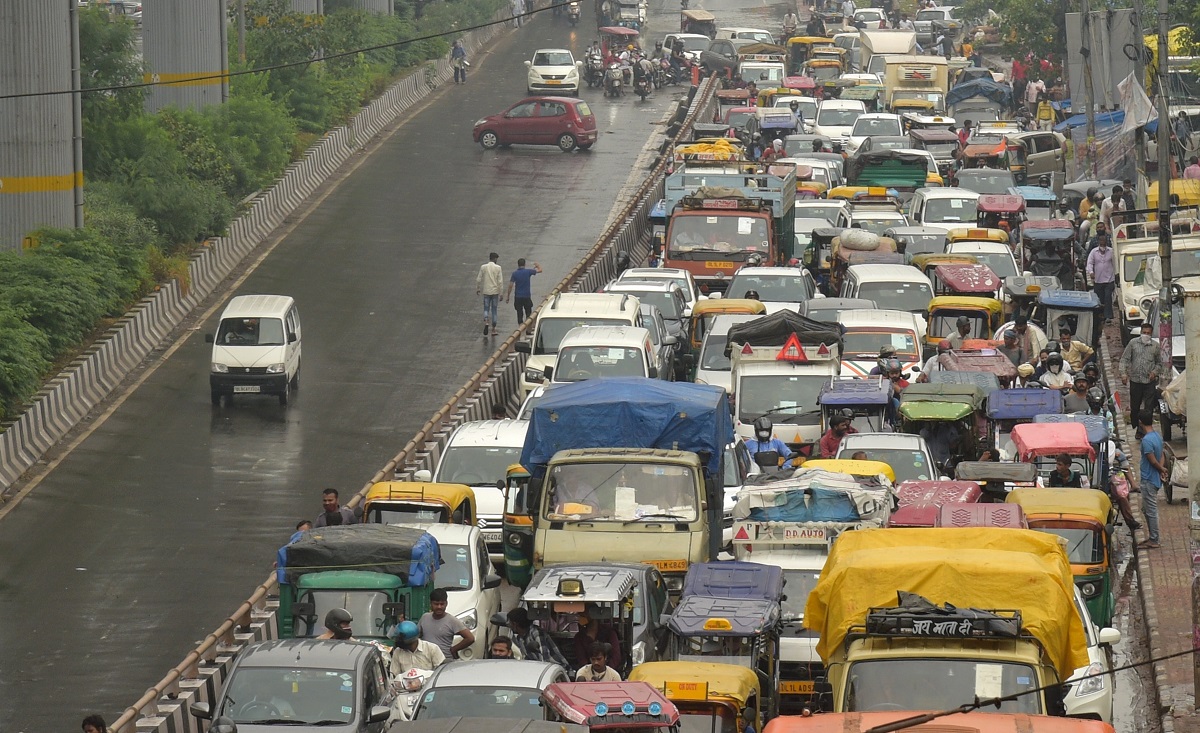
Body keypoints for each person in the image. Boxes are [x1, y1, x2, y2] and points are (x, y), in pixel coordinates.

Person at [1120, 322, 1163, 418]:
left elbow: (1159, 363)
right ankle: (1136, 426)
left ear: (1151, 334)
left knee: (1149, 408)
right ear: (1140, 332)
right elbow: (1124, 359)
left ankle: (1148, 426)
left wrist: (1154, 372)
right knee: (1135, 408)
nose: (1146, 335)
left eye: (1148, 333)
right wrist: (1123, 374)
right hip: (1135, 381)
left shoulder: (1155, 346)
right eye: (1144, 332)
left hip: (1149, 382)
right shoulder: (1133, 343)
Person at [1138, 410, 1168, 549]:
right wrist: (1161, 469)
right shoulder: (1157, 436)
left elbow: (1152, 460)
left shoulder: (1146, 441)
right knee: (1145, 509)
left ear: (1140, 423)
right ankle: (1152, 536)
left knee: (1151, 510)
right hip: (1154, 477)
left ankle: (1154, 539)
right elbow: (1161, 455)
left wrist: (1161, 469)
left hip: (1148, 479)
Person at [419, 588, 476, 659]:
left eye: (442, 604)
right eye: (436, 604)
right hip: (426, 660)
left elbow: (470, 638)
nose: (439, 607)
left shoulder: (452, 621)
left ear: (446, 604)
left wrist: (454, 649)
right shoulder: (425, 618)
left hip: (444, 661)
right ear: (431, 603)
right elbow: (417, 636)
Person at [1086, 233, 1117, 322]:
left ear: (1106, 242)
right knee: (1100, 299)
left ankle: (1108, 316)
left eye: (1104, 240)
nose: (1103, 242)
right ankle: (1100, 315)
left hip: (1109, 279)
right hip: (1098, 280)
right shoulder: (1093, 252)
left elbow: (1115, 263)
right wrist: (1091, 272)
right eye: (1101, 240)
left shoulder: (1111, 251)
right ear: (1099, 242)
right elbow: (1089, 263)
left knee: (1108, 297)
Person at [506, 258, 543, 323]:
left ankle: (520, 328)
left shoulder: (515, 274)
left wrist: (508, 296)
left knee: (519, 313)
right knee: (528, 313)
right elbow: (540, 270)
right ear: (524, 264)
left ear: (518, 264)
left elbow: (510, 286)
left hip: (518, 296)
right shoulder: (528, 272)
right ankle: (528, 328)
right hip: (526, 296)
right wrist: (537, 265)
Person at [477, 252, 503, 336]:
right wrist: (501, 293)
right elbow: (500, 282)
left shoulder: (483, 267)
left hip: (486, 291)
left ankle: (486, 320)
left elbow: (478, 279)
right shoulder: (498, 268)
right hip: (495, 292)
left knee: (486, 308)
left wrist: (478, 288)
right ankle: (494, 329)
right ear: (495, 259)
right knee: (494, 310)